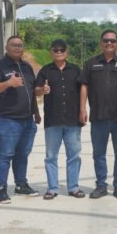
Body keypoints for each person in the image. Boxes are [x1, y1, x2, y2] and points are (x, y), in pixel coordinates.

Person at [79, 29, 117, 200]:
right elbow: (84, 86)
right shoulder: (91, 63)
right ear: (101, 43)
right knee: (99, 154)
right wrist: (83, 109)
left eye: (112, 41)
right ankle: (101, 185)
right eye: (106, 40)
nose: (109, 43)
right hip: (98, 117)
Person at [0, 35, 41, 204]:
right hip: (6, 119)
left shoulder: (26, 67)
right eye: (14, 45)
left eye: (20, 45)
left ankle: (21, 184)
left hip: (27, 119)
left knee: (22, 154)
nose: (17, 48)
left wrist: (36, 112)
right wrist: (8, 83)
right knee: (5, 154)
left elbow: (31, 92)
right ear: (6, 47)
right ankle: (0, 189)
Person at [35, 39, 84, 200]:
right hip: (53, 120)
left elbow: (84, 90)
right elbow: (36, 91)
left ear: (67, 52)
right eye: (55, 50)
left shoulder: (75, 70)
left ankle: (74, 187)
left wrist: (83, 110)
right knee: (51, 156)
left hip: (72, 120)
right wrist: (42, 89)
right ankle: (52, 188)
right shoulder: (45, 71)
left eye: (61, 49)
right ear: (51, 52)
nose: (58, 52)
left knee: (74, 156)